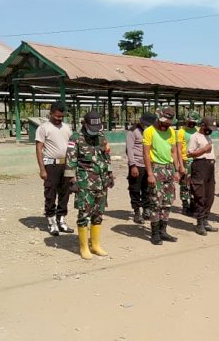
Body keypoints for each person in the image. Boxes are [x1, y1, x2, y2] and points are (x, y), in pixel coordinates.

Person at [65, 111, 114, 259]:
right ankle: (84, 247)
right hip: (84, 181)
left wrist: (110, 174)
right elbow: (70, 160)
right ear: (84, 124)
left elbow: (106, 156)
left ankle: (95, 245)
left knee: (98, 213)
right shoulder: (75, 138)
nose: (95, 131)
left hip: (101, 180)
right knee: (84, 213)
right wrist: (71, 180)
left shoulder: (100, 135)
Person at [143, 107, 182, 245]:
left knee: (167, 202)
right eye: (164, 122)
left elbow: (173, 152)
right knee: (155, 202)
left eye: (169, 122)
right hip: (156, 168)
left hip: (169, 169)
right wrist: (150, 174)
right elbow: (146, 154)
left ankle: (163, 231)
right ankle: (154, 233)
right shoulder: (149, 131)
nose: (167, 124)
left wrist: (176, 170)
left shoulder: (172, 132)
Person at [35, 102, 75, 236]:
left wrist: (73, 166)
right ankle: (52, 222)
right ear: (51, 113)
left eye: (61, 116)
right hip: (51, 165)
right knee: (50, 193)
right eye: (57, 116)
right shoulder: (43, 128)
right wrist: (42, 169)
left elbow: (72, 146)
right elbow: (39, 149)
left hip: (66, 164)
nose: (59, 119)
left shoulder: (67, 127)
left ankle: (62, 220)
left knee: (65, 193)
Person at [187, 116, 219, 235]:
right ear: (202, 125)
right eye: (208, 127)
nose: (210, 130)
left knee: (210, 195)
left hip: (210, 166)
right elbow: (190, 154)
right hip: (200, 165)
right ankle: (199, 222)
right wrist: (204, 149)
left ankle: (206, 220)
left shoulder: (208, 136)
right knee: (199, 194)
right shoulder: (194, 137)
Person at [126, 112, 156, 224]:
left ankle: (146, 209)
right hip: (137, 165)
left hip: (149, 164)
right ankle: (136, 211)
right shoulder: (133, 131)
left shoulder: (152, 131)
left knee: (147, 188)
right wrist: (132, 165)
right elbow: (129, 149)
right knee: (135, 189)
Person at [177, 111, 201, 215]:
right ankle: (185, 205)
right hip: (185, 161)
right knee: (184, 185)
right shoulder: (181, 132)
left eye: (194, 122)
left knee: (194, 185)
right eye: (190, 122)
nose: (192, 124)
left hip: (196, 161)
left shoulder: (198, 131)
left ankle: (193, 205)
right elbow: (178, 149)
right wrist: (180, 165)